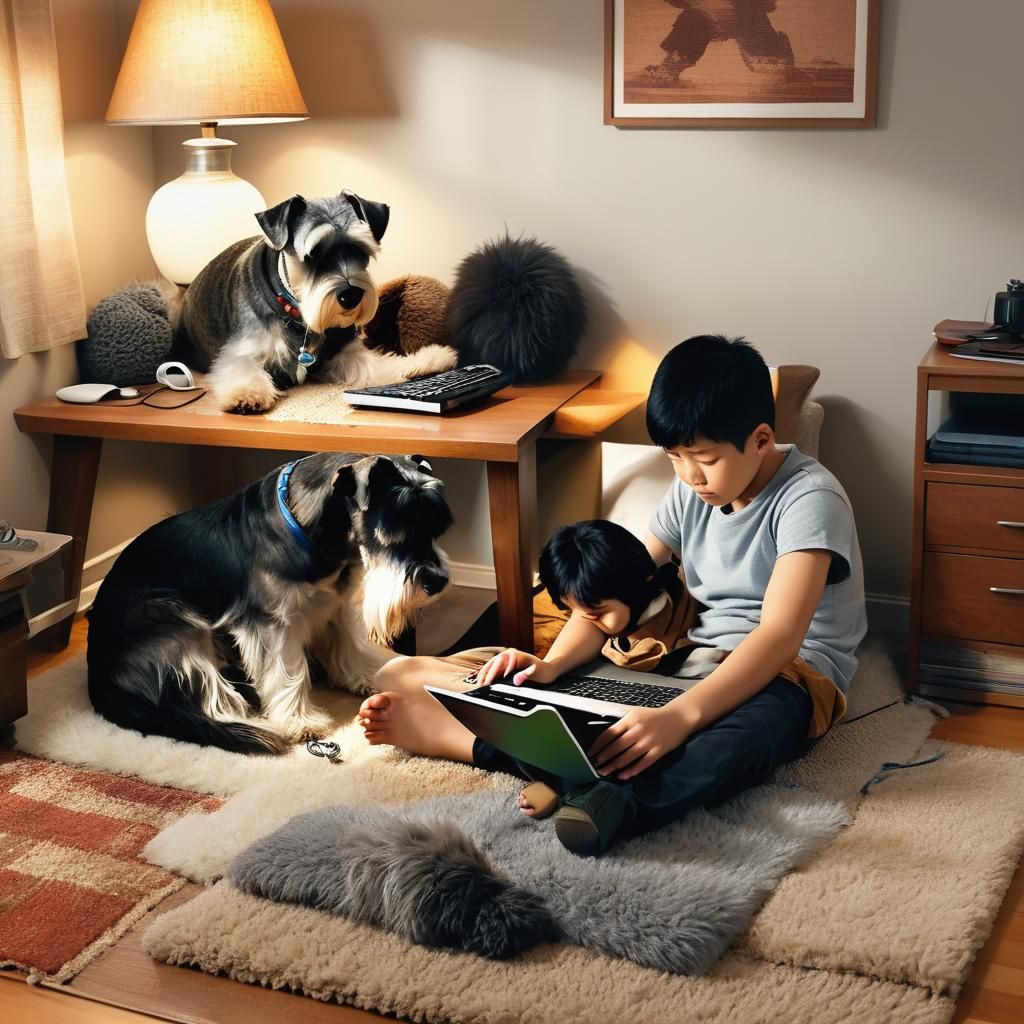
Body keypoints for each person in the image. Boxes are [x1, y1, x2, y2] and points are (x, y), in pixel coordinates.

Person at [358, 334, 867, 856]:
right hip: (690, 656)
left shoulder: (809, 498)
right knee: (573, 694)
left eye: (705, 459)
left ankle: (569, 780)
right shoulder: (693, 490)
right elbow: (616, 586)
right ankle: (549, 748)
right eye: (674, 458)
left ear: (761, 439)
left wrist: (680, 717)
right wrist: (552, 667)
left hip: (793, 671)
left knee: (740, 737)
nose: (690, 476)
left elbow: (780, 638)